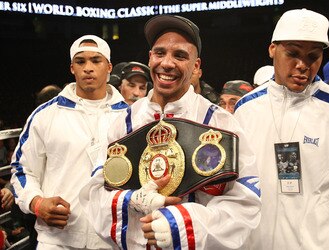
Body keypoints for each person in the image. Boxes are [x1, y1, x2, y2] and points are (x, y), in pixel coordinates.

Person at [80, 15, 261, 249]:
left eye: (180, 55)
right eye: (160, 53)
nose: (167, 63)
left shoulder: (220, 122)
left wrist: (185, 224)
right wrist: (132, 200)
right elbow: (94, 194)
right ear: (150, 57)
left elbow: (246, 201)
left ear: (196, 66)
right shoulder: (123, 122)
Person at [234, 9, 329, 249]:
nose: (302, 65)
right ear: (272, 49)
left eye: (313, 56)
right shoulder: (245, 108)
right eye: (293, 53)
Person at [10, 35, 127, 249]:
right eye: (80, 61)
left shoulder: (130, 118)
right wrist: (36, 202)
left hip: (111, 240)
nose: (88, 68)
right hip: (56, 239)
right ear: (72, 68)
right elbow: (22, 169)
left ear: (109, 66)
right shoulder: (45, 115)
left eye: (96, 60)